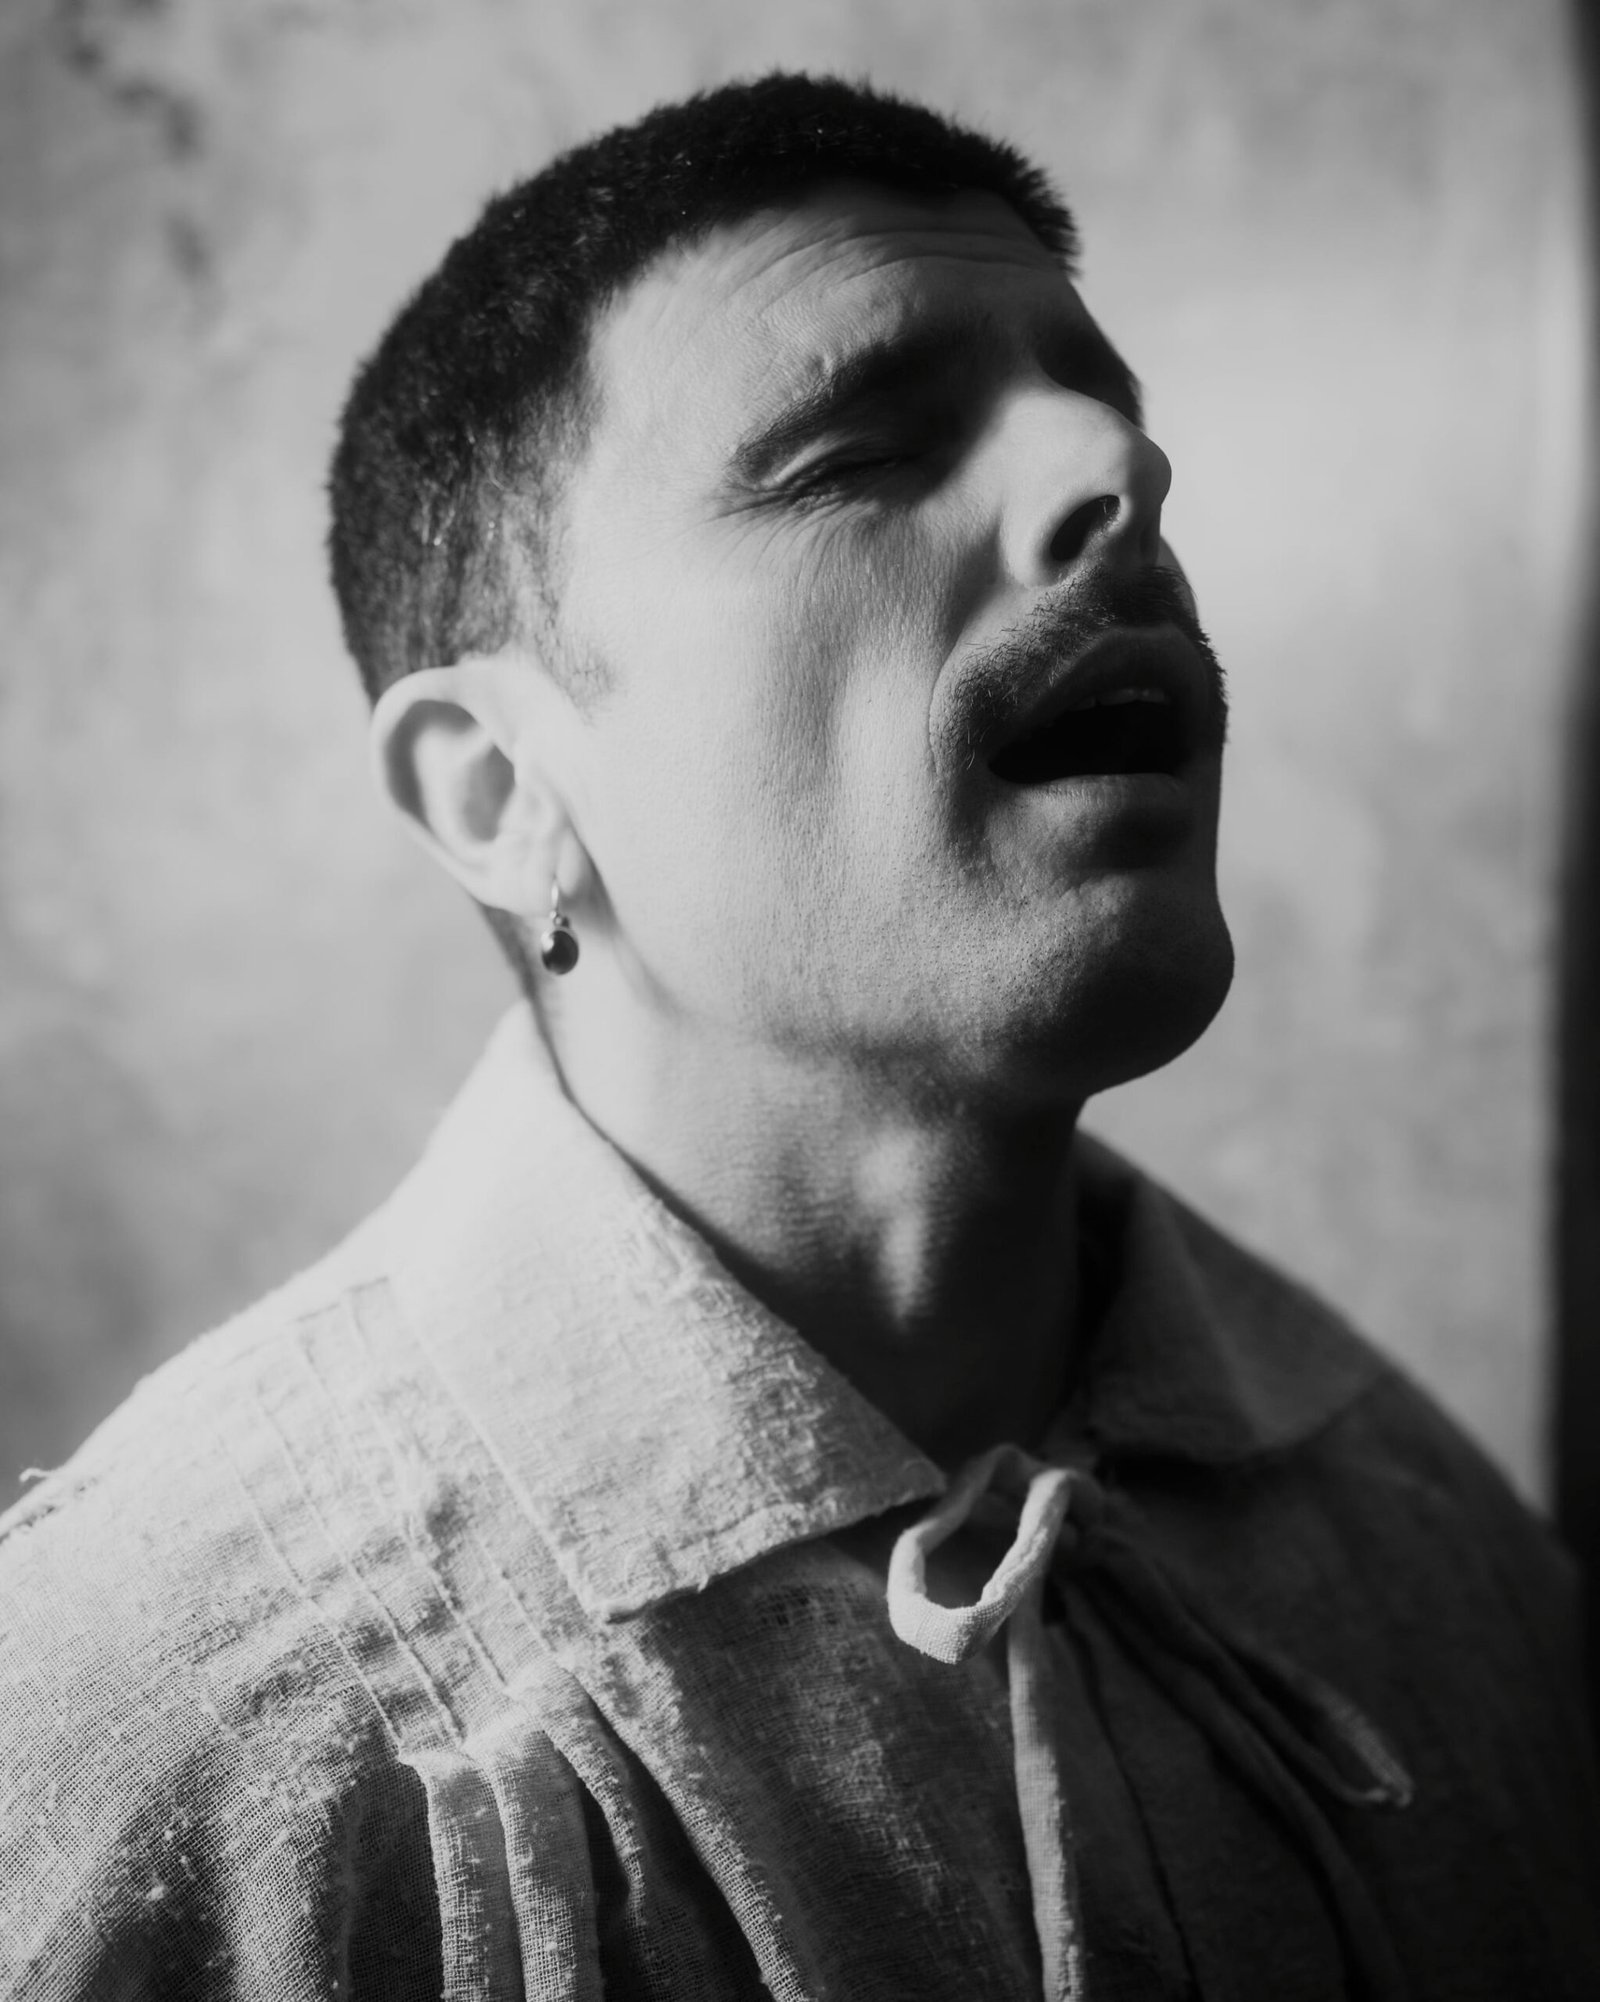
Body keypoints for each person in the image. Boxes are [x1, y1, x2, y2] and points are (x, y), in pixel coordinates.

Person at [0, 72, 1594, 2001]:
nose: (1122, 470)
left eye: (1108, 407)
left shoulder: (1435, 1547)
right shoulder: (162, 1741)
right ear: (501, 791)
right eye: (858, 454)